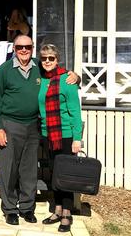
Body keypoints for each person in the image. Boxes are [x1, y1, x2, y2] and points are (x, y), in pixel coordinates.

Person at [0, 35, 79, 226]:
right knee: (9, 169)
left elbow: (58, 70)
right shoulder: (5, 70)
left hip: (33, 126)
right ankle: (10, 209)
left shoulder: (39, 65)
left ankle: (27, 208)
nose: (24, 50)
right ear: (14, 49)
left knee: (29, 170)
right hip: (10, 124)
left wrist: (77, 76)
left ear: (32, 48)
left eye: (28, 47)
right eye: (20, 47)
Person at [37, 44, 82, 233]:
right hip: (47, 134)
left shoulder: (67, 80)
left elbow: (75, 111)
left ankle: (66, 213)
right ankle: (56, 210)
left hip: (65, 135)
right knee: (54, 174)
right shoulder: (39, 78)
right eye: (44, 58)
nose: (47, 61)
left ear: (58, 60)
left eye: (51, 58)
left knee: (65, 176)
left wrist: (77, 138)